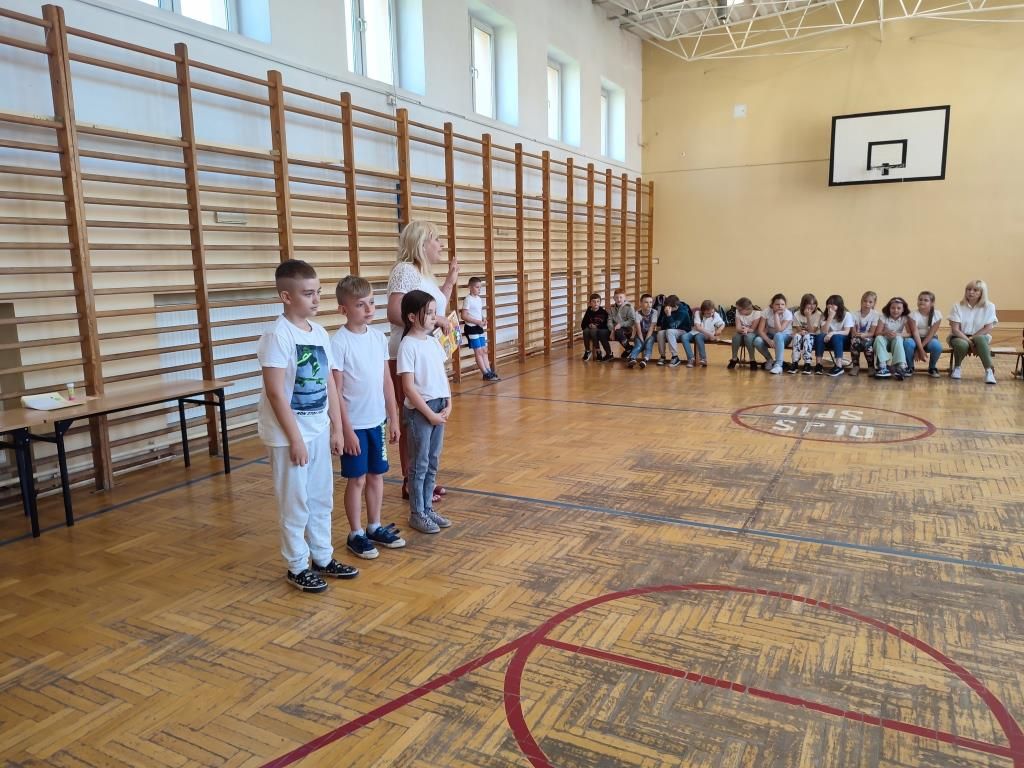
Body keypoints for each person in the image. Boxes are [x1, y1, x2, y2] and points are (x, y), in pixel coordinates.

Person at [257, 259, 358, 593]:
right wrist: (295, 439)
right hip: (288, 436)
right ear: (286, 297)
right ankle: (297, 565)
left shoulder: (319, 333)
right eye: (307, 293)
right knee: (295, 501)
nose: (316, 299)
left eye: (318, 292)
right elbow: (275, 392)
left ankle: (322, 557)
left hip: (316, 429)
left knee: (320, 497)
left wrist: (337, 428)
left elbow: (329, 382)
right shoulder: (277, 335)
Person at [331, 275, 405, 561]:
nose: (369, 309)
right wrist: (345, 431)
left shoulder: (377, 337)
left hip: (377, 423)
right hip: (355, 426)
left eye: (372, 302)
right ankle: (356, 533)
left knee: (376, 475)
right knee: (357, 479)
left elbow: (386, 381)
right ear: (344, 309)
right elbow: (336, 392)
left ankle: (374, 526)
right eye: (360, 305)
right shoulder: (339, 343)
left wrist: (393, 418)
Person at [386, 221, 458, 504]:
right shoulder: (405, 270)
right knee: (414, 418)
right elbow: (395, 312)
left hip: (427, 353)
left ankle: (423, 478)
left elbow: (434, 310)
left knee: (429, 416)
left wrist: (449, 282)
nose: (440, 245)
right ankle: (410, 480)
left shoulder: (423, 274)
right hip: (407, 356)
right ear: (421, 243)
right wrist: (437, 320)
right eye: (435, 239)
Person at [396, 290, 452, 534]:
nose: (434, 317)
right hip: (421, 412)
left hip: (439, 407)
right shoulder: (407, 345)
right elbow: (408, 387)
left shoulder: (432, 342)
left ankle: (427, 508)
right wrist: (429, 414)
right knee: (419, 464)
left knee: (432, 460)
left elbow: (442, 374)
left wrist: (449, 401)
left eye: (434, 312)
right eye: (428, 313)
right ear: (411, 317)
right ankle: (417, 513)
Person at [949, 279, 999, 384]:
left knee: (980, 339)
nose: (971, 292)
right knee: (962, 344)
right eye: (968, 289)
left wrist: (972, 338)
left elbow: (988, 327)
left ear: (982, 293)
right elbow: (955, 329)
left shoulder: (989, 306)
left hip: (981, 335)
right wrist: (970, 342)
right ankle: (957, 368)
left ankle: (989, 371)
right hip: (959, 336)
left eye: (975, 290)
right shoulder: (957, 306)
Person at [461, 276, 498, 381]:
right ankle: (485, 373)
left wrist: (483, 318)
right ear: (470, 287)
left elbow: (478, 312)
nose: (479, 289)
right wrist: (477, 322)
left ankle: (489, 371)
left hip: (479, 327)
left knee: (484, 350)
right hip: (471, 328)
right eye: (477, 287)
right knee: (478, 351)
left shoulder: (478, 299)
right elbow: (464, 315)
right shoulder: (468, 299)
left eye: (480, 287)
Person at [905, 290, 944, 378]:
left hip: (930, 338)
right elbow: (914, 332)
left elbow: (931, 333)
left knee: (937, 346)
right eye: (920, 299)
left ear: (932, 303)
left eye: (926, 300)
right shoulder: (912, 314)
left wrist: (919, 350)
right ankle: (910, 367)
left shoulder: (937, 314)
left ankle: (932, 367)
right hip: (915, 339)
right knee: (908, 343)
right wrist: (920, 349)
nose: (922, 301)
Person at [873, 296, 913, 380]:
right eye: (893, 308)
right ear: (889, 308)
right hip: (885, 341)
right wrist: (885, 332)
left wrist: (898, 334)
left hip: (896, 341)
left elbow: (909, 334)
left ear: (903, 309)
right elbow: (877, 333)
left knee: (898, 338)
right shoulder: (883, 317)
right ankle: (883, 366)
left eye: (899, 308)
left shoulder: (904, 318)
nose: (895, 310)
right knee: (878, 338)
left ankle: (900, 366)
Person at [754, 293, 793, 374]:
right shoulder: (766, 311)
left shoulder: (788, 314)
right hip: (770, 335)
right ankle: (770, 360)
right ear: (772, 305)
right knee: (757, 340)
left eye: (782, 304)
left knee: (778, 335)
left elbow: (779, 330)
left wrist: (776, 315)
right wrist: (768, 340)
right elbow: (760, 330)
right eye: (777, 304)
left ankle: (778, 365)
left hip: (784, 337)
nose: (780, 306)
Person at [789, 293, 826, 375]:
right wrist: (800, 332)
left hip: (813, 337)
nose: (812, 306)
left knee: (807, 336)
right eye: (809, 304)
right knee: (797, 336)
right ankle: (795, 362)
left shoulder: (818, 314)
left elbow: (812, 330)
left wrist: (808, 317)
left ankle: (807, 363)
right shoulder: (797, 314)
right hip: (801, 335)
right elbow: (798, 329)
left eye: (814, 304)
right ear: (803, 304)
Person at [684, 300, 724, 367]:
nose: (711, 314)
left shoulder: (715, 315)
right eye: (708, 313)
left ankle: (703, 359)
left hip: (704, 335)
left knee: (698, 337)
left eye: (712, 312)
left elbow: (722, 324)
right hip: (697, 332)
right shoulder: (698, 313)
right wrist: (710, 335)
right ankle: (691, 359)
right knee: (684, 337)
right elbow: (698, 327)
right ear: (703, 311)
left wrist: (719, 329)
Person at [849, 291, 880, 377]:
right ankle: (855, 366)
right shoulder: (854, 314)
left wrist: (864, 335)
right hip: (857, 336)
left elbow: (872, 333)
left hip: (869, 337)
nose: (867, 304)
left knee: (867, 343)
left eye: (870, 302)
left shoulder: (875, 315)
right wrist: (858, 335)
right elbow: (853, 331)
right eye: (865, 301)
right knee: (855, 342)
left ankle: (871, 367)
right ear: (861, 301)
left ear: (874, 303)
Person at [822, 294, 853, 376]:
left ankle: (839, 366)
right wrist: (830, 317)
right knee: (820, 337)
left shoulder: (847, 315)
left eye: (833, 304)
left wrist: (832, 333)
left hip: (844, 341)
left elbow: (846, 332)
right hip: (829, 340)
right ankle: (818, 365)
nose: (830, 306)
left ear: (839, 306)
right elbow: (824, 331)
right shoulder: (825, 315)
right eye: (829, 304)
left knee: (837, 337)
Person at [655, 294, 690, 367]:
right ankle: (662, 356)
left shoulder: (683, 312)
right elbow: (661, 325)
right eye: (666, 306)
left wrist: (668, 315)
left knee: (670, 331)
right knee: (660, 333)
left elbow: (673, 326)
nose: (667, 308)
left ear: (676, 306)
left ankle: (675, 357)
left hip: (683, 331)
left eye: (670, 307)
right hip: (670, 331)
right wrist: (664, 316)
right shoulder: (666, 309)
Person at [728, 297, 760, 370]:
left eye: (740, 310)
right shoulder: (738, 311)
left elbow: (753, 329)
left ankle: (752, 360)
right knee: (735, 337)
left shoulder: (757, 313)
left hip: (753, 332)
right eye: (737, 309)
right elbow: (738, 328)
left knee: (748, 337)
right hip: (742, 331)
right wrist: (743, 330)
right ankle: (734, 358)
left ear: (747, 309)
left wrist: (747, 330)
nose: (738, 311)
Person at [628, 293, 658, 369]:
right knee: (638, 345)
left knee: (648, 344)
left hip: (650, 334)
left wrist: (645, 341)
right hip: (640, 333)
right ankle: (632, 359)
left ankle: (645, 360)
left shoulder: (654, 312)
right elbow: (638, 330)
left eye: (650, 302)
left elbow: (651, 328)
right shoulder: (637, 313)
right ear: (641, 303)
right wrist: (642, 341)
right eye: (646, 302)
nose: (649, 304)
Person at [580, 293, 612, 361]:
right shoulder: (589, 311)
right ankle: (587, 350)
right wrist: (589, 325)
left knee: (593, 331)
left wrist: (596, 326)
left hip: (600, 329)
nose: (596, 303)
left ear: (600, 302)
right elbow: (583, 324)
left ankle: (598, 351)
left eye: (598, 301)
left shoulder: (603, 312)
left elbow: (605, 325)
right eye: (594, 301)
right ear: (590, 303)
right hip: (590, 329)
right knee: (585, 331)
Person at [607, 288, 636, 359]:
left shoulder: (629, 307)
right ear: (614, 298)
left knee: (618, 332)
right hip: (614, 329)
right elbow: (609, 320)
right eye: (616, 297)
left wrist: (621, 324)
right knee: (603, 332)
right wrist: (612, 330)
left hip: (627, 330)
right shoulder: (612, 308)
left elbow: (632, 321)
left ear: (625, 297)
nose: (619, 299)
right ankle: (609, 353)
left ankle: (628, 348)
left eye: (621, 297)